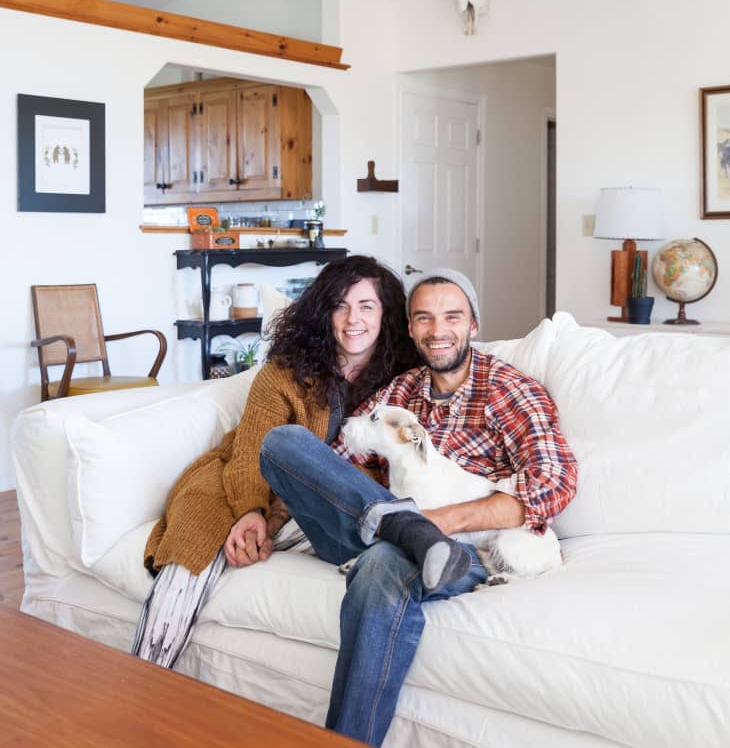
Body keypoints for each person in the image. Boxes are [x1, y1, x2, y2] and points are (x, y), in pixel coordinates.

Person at [258, 268, 578, 747]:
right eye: (424, 318)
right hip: (379, 525)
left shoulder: (509, 390)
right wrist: (268, 518)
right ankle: (398, 527)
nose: (437, 330)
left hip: (460, 550)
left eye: (452, 316)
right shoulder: (402, 391)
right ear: (410, 329)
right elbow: (336, 465)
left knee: (386, 562)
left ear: (473, 324)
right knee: (284, 442)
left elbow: (554, 483)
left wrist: (436, 524)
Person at [132, 255, 419, 668]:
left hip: (336, 502)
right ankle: (145, 677)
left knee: (366, 527)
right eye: (341, 305)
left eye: (367, 306)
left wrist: (275, 517)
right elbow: (251, 446)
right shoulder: (285, 370)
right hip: (245, 478)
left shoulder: (405, 380)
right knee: (199, 529)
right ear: (324, 312)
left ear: (386, 314)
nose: (353, 318)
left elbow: (381, 474)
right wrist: (251, 512)